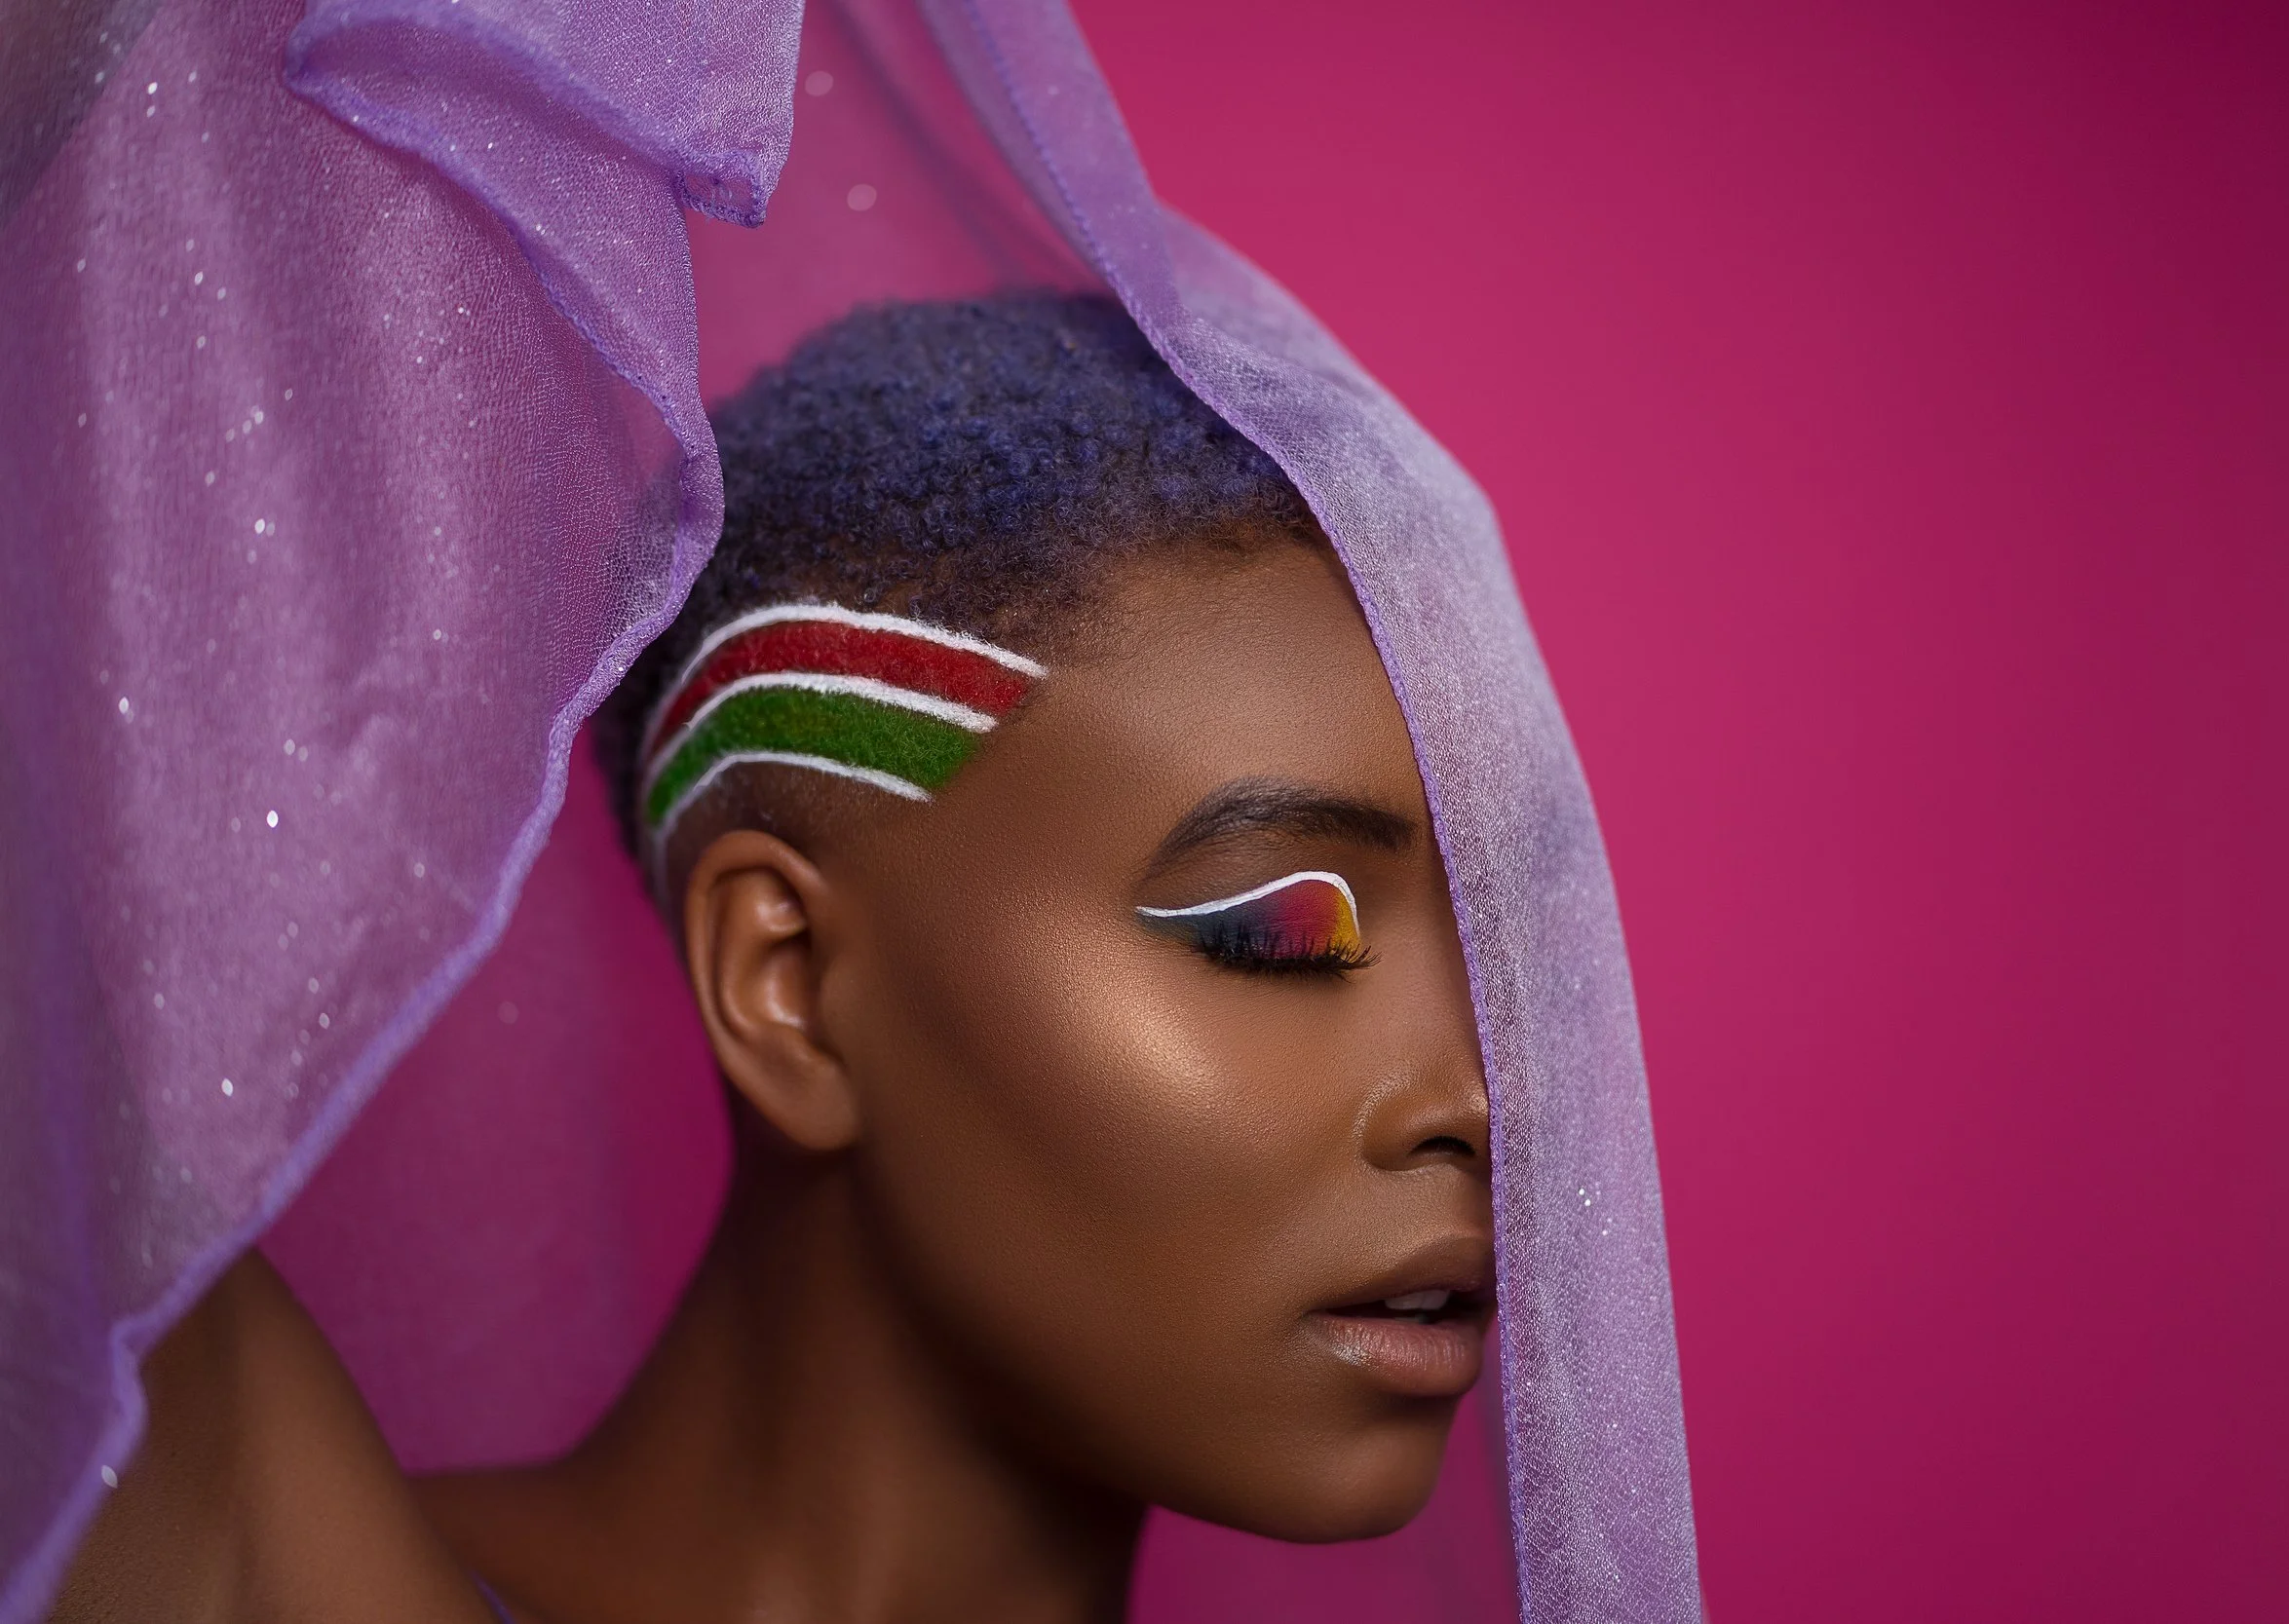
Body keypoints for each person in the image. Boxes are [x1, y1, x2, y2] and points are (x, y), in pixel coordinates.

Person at [53, 294, 1494, 1624]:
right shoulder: (223, 1531)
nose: (1473, 1093)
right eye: (1289, 928)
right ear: (787, 982)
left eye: (1508, 948)